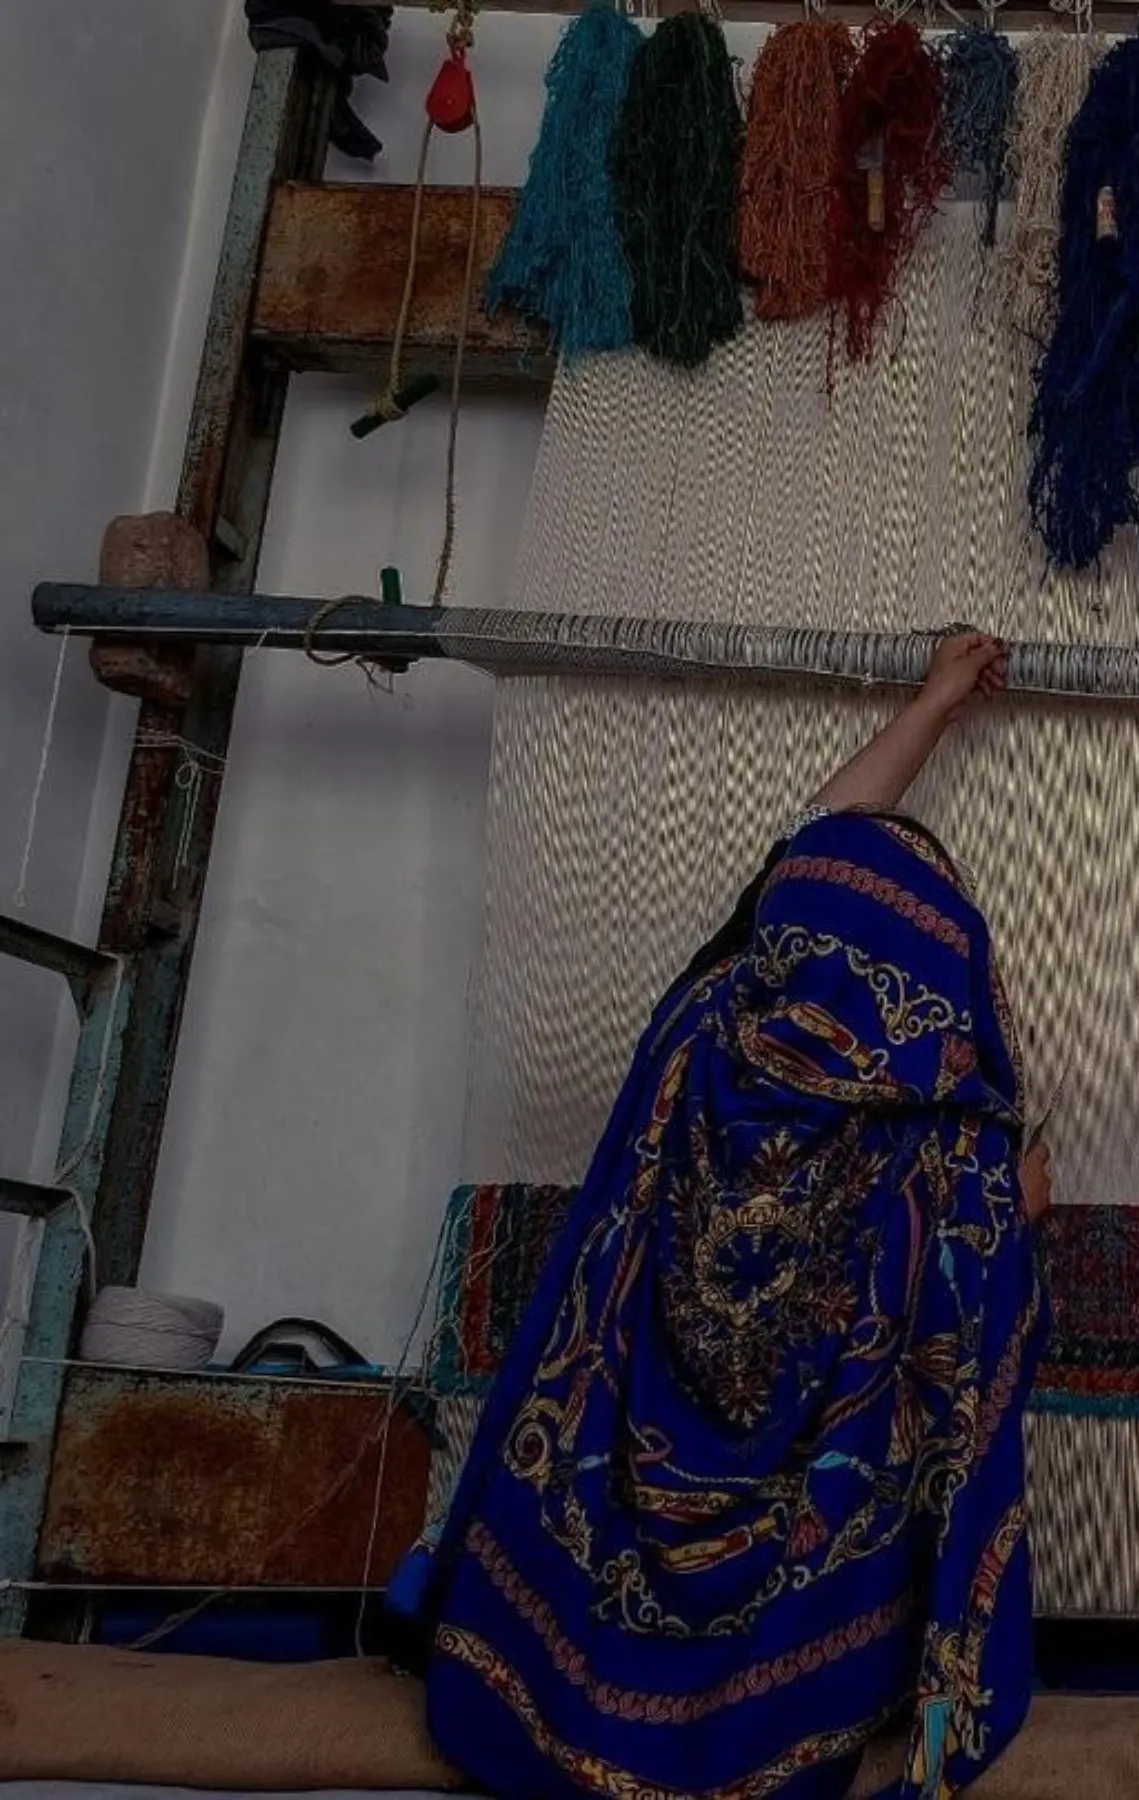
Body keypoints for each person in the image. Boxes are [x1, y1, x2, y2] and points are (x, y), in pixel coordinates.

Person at [397, 632, 1053, 1800]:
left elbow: (804, 857)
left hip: (619, 1519)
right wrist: (1017, 1206)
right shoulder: (932, 1139)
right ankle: (756, 1728)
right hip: (795, 1594)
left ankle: (564, 1708)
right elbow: (971, 1323)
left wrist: (936, 701)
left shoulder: (705, 1038)